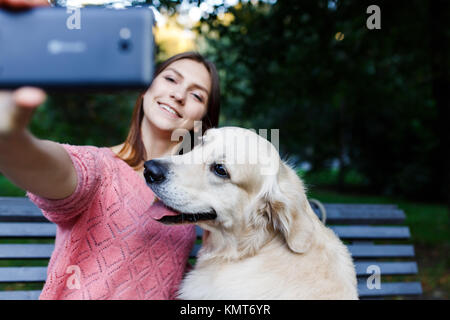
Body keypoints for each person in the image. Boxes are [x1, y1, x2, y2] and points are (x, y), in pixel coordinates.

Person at [0, 0, 221, 299]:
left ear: (202, 120)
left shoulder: (197, 199)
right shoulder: (99, 169)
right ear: (146, 87)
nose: (179, 94)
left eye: (196, 94)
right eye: (170, 79)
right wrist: (9, 138)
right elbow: (46, 167)